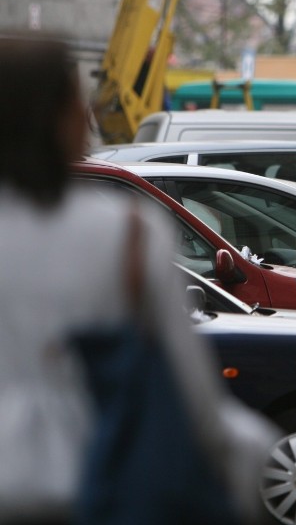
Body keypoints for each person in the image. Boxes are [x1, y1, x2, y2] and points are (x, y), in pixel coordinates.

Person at [0, 34, 277, 524]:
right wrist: (242, 457)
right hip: (97, 483)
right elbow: (188, 388)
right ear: (63, 116)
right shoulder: (123, 232)